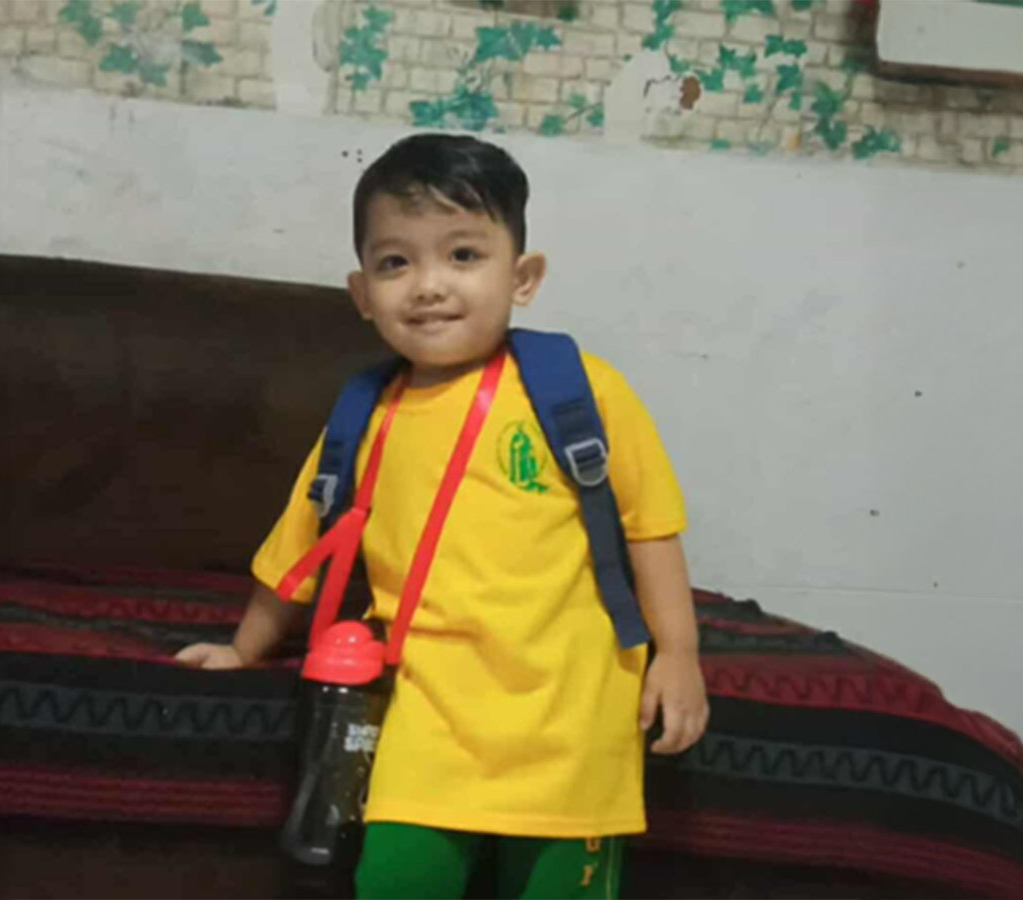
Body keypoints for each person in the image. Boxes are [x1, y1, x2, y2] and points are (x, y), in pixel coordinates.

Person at [177, 133, 708, 899]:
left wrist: (680, 655)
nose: (429, 285)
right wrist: (242, 648)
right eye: (397, 262)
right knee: (395, 882)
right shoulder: (366, 415)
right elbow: (302, 547)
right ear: (362, 293)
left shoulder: (580, 392)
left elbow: (649, 527)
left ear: (522, 278)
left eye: (464, 255)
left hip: (573, 725)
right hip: (424, 728)